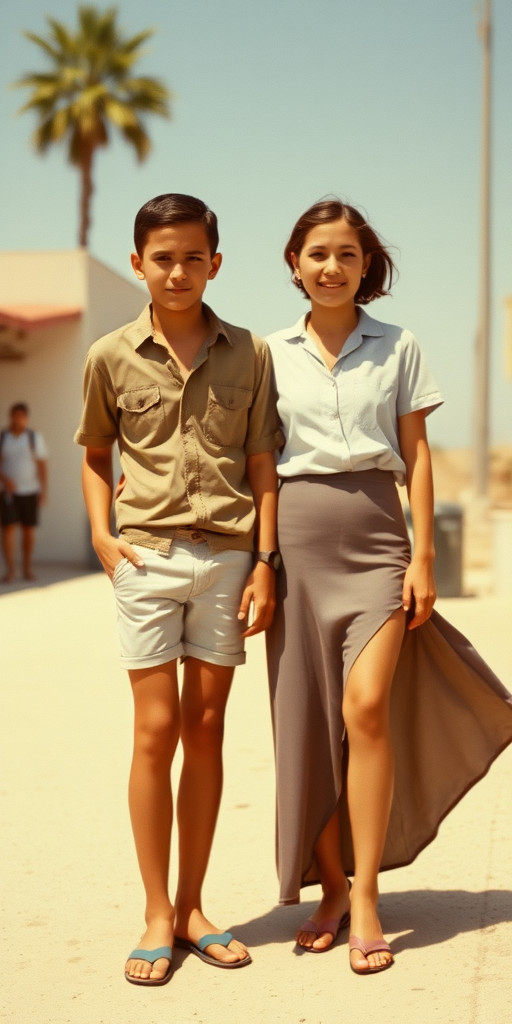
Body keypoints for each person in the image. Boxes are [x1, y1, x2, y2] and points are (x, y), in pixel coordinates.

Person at [265, 199, 512, 975]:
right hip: (297, 544)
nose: (331, 266)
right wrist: (260, 562)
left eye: (346, 253)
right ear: (294, 264)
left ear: (366, 264)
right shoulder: (265, 354)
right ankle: (329, 888)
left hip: (376, 538)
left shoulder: (399, 346)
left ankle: (366, 893)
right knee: (309, 729)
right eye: (317, 253)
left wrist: (425, 557)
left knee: (366, 707)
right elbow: (258, 467)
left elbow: (419, 454)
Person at [74, 193, 283, 986]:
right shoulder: (108, 356)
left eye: (194, 256)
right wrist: (103, 538)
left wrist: (265, 561)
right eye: (163, 257)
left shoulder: (250, 353)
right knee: (154, 730)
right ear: (138, 263)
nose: (178, 270)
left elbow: (263, 466)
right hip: (146, 559)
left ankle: (195, 907)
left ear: (216, 264)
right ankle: (156, 911)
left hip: (228, 560)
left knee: (206, 730)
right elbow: (96, 454)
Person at [0, 402, 48, 582]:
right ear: (10, 416)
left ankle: (27, 568)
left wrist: (43, 490)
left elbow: (42, 464)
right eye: (15, 415)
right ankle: (11, 570)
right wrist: (5, 480)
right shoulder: (3, 437)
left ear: (26, 418)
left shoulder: (34, 437)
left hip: (30, 491)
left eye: (22, 416)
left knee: (28, 531)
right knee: (8, 529)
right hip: (8, 493)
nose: (18, 419)